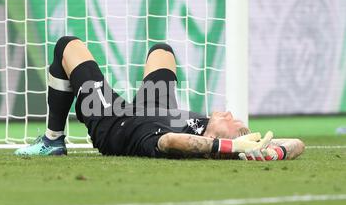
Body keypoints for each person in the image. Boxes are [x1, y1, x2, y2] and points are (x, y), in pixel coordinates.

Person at [15, 36, 305, 161]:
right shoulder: (208, 128)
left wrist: (227, 147)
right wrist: (271, 150)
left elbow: (170, 141)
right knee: (161, 51)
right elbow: (298, 144)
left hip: (115, 120)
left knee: (67, 46)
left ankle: (52, 140)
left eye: (234, 123)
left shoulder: (182, 142)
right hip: (156, 108)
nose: (230, 114)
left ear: (226, 142)